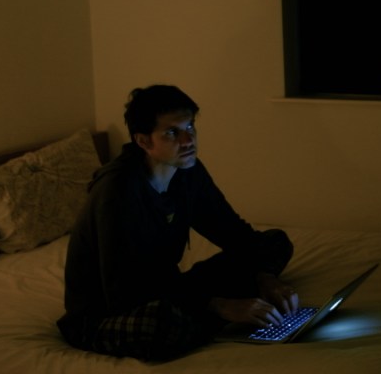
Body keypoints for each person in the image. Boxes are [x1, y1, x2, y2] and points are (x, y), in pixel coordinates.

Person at [57, 85, 299, 361]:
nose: (188, 140)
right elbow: (125, 291)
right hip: (109, 312)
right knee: (162, 325)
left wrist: (265, 277)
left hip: (168, 287)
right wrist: (219, 305)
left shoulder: (188, 172)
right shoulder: (118, 191)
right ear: (144, 141)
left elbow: (236, 235)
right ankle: (219, 317)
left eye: (190, 127)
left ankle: (220, 313)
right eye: (172, 133)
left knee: (274, 243)